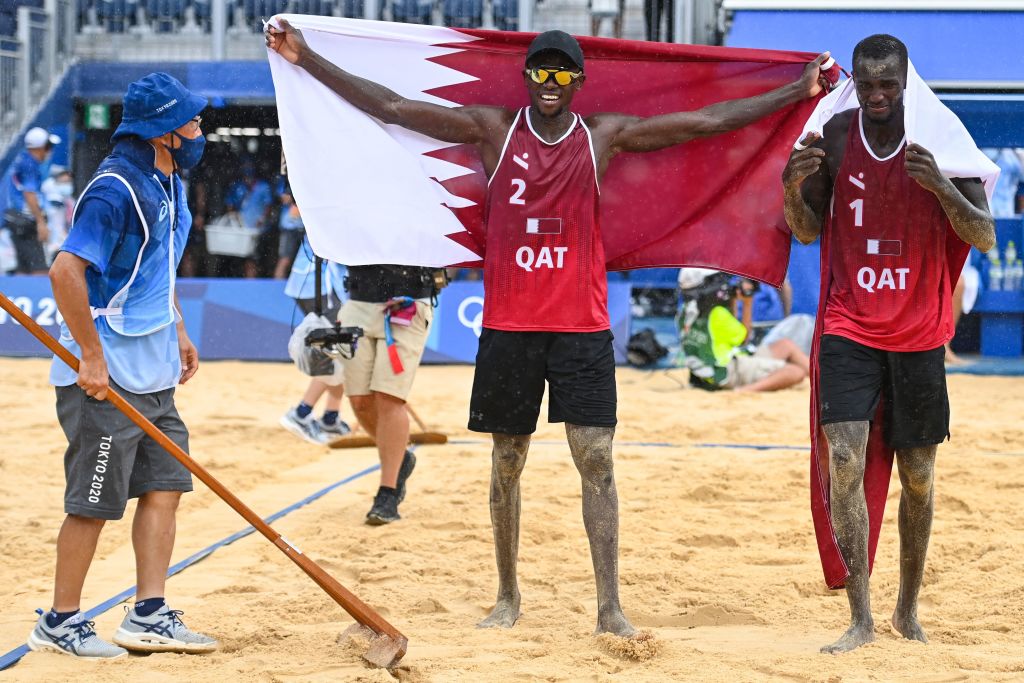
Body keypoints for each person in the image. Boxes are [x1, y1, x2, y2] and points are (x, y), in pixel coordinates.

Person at [267, 21, 829, 636]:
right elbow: (394, 107)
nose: (551, 82)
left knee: (597, 462)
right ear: (527, 76)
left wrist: (794, 93)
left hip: (580, 326)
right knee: (507, 462)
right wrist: (308, 57)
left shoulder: (602, 135)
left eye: (563, 73)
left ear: (580, 81)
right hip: (510, 326)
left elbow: (705, 122)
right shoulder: (493, 129)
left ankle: (610, 606)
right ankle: (507, 596)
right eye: (542, 71)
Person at [782, 34, 995, 653]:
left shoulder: (939, 135)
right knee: (843, 459)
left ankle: (907, 608)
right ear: (854, 79)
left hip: (919, 332)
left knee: (920, 475)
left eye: (888, 85)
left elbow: (982, 236)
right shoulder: (837, 135)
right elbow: (803, 232)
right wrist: (795, 189)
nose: (876, 95)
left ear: (906, 81)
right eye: (866, 83)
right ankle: (861, 616)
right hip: (850, 324)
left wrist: (943, 188)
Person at [29, 72, 218, 659]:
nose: (200, 127)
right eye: (190, 119)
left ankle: (148, 614)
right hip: (105, 380)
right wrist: (89, 354)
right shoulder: (115, 188)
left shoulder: (169, 180)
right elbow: (66, 272)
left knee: (165, 487)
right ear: (163, 131)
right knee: (94, 502)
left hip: (154, 371)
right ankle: (60, 622)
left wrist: (180, 327)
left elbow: (157, 270)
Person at [335, 264, 441, 524]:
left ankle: (388, 493)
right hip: (359, 298)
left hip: (408, 298)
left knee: (389, 397)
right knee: (359, 401)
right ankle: (400, 457)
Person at [679, 269, 809, 392]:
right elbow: (745, 339)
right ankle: (746, 391)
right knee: (795, 372)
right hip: (725, 370)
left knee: (785, 345)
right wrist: (747, 302)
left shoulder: (685, 312)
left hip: (704, 372)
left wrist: (732, 301)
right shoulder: (717, 314)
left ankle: (819, 378)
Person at [280, 232, 353, 443]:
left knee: (340, 351)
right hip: (320, 284)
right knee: (339, 351)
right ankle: (302, 413)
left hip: (313, 282)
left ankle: (330, 417)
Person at [3, 127, 60, 274]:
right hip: (27, 223)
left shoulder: (21, 158)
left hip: (16, 221)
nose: (50, 151)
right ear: (40, 147)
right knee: (39, 270)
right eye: (48, 146)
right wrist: (41, 223)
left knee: (23, 269)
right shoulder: (30, 164)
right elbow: (30, 194)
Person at [223, 159, 273, 278]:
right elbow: (230, 204)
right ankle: (246, 280)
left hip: (259, 229)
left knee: (258, 256)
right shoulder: (237, 186)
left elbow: (268, 205)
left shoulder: (263, 186)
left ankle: (256, 280)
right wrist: (234, 218)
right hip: (241, 229)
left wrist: (262, 219)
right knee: (242, 258)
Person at [40, 165, 75, 264]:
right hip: (51, 244)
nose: (67, 184)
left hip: (63, 244)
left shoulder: (69, 200)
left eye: (68, 181)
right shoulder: (49, 197)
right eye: (63, 182)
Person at [273, 180, 305, 279]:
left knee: (305, 260)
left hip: (305, 228)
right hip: (289, 227)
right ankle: (276, 286)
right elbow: (285, 199)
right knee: (285, 259)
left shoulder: (308, 179)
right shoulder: (286, 180)